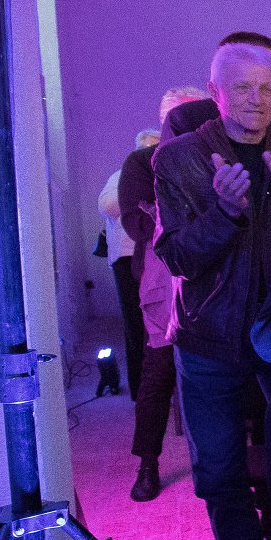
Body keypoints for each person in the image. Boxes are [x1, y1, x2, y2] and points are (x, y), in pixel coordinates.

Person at [153, 41, 271, 540]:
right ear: (215, 92)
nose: (256, 100)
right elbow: (178, 256)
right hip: (210, 337)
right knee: (219, 472)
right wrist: (224, 211)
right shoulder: (180, 158)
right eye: (242, 88)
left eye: (266, 87)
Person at [118, 86, 204, 501]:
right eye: (177, 119)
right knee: (159, 371)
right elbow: (138, 224)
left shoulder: (212, 155)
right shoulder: (141, 162)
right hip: (161, 280)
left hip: (210, 273)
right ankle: (148, 463)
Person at [98, 139, 154, 401]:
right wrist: (140, 186)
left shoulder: (172, 169)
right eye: (148, 149)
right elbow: (107, 206)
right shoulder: (120, 176)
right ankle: (140, 390)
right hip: (127, 257)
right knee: (136, 324)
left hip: (160, 254)